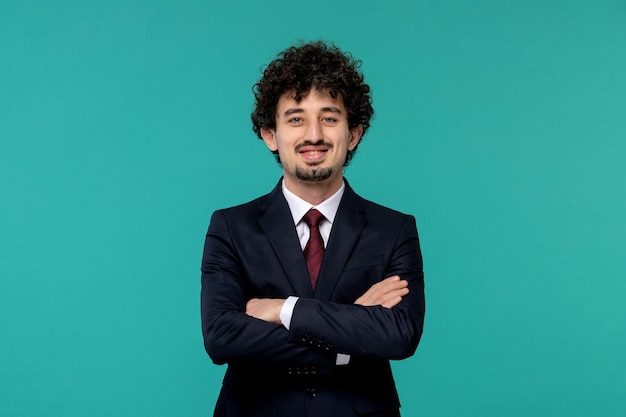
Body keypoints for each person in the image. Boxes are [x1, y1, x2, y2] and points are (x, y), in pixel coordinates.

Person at [201, 41, 425, 417]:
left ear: (353, 133)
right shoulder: (230, 226)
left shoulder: (394, 229)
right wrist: (350, 329)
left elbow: (399, 336)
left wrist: (284, 309)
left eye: (329, 117)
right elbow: (222, 337)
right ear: (270, 134)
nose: (314, 135)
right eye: (295, 118)